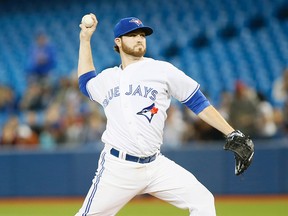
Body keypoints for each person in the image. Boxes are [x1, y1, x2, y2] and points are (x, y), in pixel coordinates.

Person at [75, 14, 249, 216]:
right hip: (118, 167)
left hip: (155, 165)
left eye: (142, 34)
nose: (139, 38)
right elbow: (86, 82)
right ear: (118, 42)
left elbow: (198, 102)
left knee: (203, 200)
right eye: (132, 35)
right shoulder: (108, 78)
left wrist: (231, 132)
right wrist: (85, 39)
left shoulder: (161, 70)